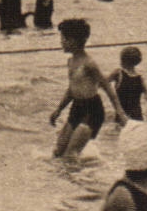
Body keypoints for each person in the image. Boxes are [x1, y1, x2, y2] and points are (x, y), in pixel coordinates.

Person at [49, 18, 126, 159]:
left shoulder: (89, 63)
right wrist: (58, 110)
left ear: (73, 40)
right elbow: (71, 89)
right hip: (76, 108)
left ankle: (84, 178)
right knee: (57, 153)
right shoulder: (70, 61)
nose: (61, 42)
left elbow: (107, 86)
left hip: (92, 111)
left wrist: (119, 111)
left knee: (70, 155)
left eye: (63, 39)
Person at [109, 46, 147, 122]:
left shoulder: (118, 73)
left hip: (122, 117)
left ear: (122, 60)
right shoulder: (140, 78)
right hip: (138, 117)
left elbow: (102, 82)